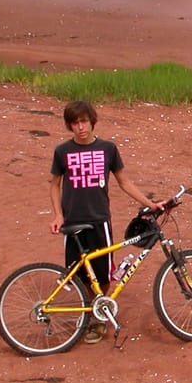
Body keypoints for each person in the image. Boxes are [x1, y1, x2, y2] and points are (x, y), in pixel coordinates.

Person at [49, 100, 163, 344]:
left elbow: (124, 182)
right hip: (73, 222)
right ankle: (92, 309)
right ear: (70, 126)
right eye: (75, 123)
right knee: (78, 274)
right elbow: (54, 184)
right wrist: (58, 215)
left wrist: (150, 203)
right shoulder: (62, 152)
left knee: (102, 274)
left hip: (100, 220)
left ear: (92, 121)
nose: (80, 127)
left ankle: (97, 316)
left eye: (84, 121)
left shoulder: (107, 149)